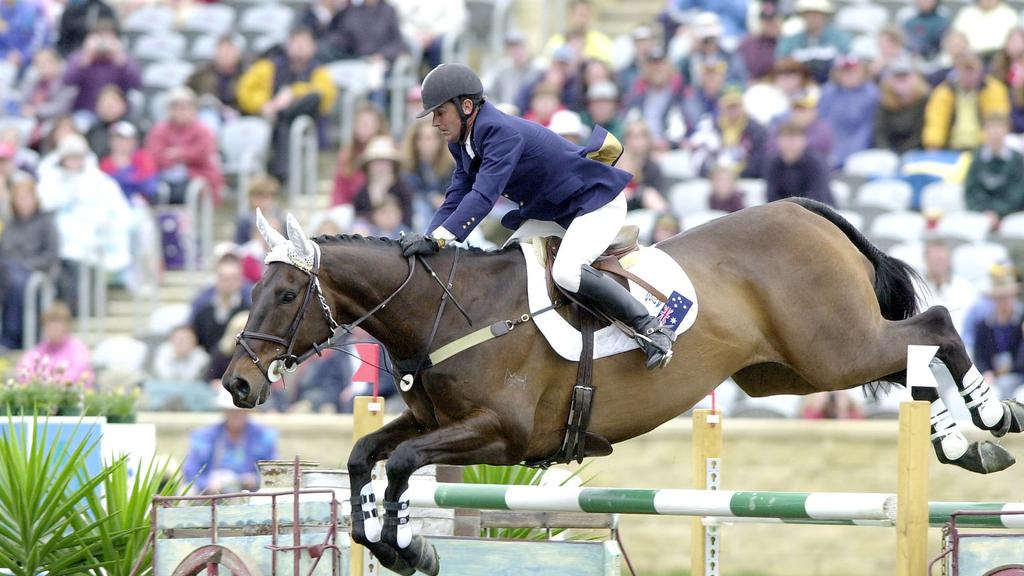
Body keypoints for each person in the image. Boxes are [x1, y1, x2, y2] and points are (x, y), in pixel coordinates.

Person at [399, 63, 675, 369]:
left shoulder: (499, 133)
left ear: (466, 107)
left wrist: (438, 240)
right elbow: (457, 196)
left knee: (566, 272)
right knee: (509, 268)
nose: (435, 122)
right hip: (557, 211)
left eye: (439, 112)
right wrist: (428, 236)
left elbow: (482, 197)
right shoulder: (462, 141)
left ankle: (651, 328)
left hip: (596, 203)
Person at [236, 26, 337, 183]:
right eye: (296, 43)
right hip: (272, 121)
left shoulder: (319, 72)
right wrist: (265, 104)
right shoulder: (269, 66)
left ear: (313, 47)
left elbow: (325, 97)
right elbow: (244, 90)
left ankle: (283, 116)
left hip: (308, 120)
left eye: (304, 43)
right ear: (288, 45)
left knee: (312, 98)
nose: (300, 47)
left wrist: (292, 94)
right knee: (284, 124)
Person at [37, 133, 133, 297]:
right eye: (70, 157)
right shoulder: (50, 180)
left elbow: (118, 209)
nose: (74, 162)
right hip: (65, 240)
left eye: (78, 157)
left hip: (98, 235)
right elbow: (45, 206)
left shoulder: (100, 181)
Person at [0, 172, 58, 348]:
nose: (23, 202)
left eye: (27, 197)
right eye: (19, 198)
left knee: (17, 282)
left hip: (36, 273)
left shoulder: (46, 222)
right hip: (8, 270)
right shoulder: (10, 224)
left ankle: (13, 336)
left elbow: (50, 256)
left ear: (35, 198)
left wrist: (25, 265)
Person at [182, 389, 278, 494]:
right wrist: (207, 483)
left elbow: (273, 474)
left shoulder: (264, 436)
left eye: (241, 410)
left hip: (249, 493)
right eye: (232, 410)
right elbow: (190, 471)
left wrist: (254, 480)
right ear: (225, 411)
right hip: (210, 493)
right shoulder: (204, 436)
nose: (236, 414)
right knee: (187, 491)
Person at [145, 87, 223, 203]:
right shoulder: (159, 130)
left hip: (197, 175)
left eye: (185, 108)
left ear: (193, 109)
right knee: (153, 190)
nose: (180, 112)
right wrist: (179, 158)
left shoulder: (203, 130)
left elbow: (203, 153)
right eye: (176, 108)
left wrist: (179, 154)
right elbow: (155, 154)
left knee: (189, 190)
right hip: (164, 176)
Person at [924, 52, 1012, 151]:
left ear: (980, 70)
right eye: (964, 70)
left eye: (972, 70)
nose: (969, 75)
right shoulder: (943, 92)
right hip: (951, 149)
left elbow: (998, 121)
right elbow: (936, 123)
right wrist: (933, 145)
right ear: (956, 70)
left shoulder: (993, 90)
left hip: (982, 148)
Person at [62, 20, 141, 117]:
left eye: (108, 38)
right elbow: (67, 81)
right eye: (100, 38)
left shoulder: (123, 58)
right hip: (86, 111)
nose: (103, 43)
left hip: (118, 113)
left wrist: (122, 61)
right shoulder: (81, 57)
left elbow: (136, 83)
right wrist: (86, 58)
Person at [971, 262, 1024, 398]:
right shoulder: (984, 324)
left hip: (1019, 376)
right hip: (993, 377)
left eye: (1007, 296)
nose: (1004, 301)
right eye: (1000, 297)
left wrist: (1005, 371)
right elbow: (979, 354)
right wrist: (987, 371)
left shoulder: (1021, 319)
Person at [817, 54, 879, 170]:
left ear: (862, 72)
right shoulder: (827, 93)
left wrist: (849, 155)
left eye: (852, 71)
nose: (848, 75)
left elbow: (867, 129)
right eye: (843, 71)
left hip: (861, 153)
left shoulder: (872, 94)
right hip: (830, 151)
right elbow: (822, 125)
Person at [964, 113, 1024, 227]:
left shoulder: (1016, 159)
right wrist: (985, 212)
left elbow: (1018, 193)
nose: (995, 133)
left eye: (999, 128)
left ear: (1007, 131)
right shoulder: (976, 158)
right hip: (981, 216)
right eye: (991, 128)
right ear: (984, 132)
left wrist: (998, 213)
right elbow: (971, 191)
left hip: (1011, 216)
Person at [623, 47, 686, 150]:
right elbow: (628, 123)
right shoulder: (637, 95)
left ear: (669, 67)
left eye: (661, 64)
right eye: (652, 64)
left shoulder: (681, 93)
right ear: (645, 68)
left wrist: (670, 144)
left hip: (672, 149)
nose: (657, 69)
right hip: (641, 149)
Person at [190, 253, 252, 357]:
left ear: (241, 280)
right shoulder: (203, 311)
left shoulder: (249, 311)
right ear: (217, 279)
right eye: (225, 278)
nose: (229, 283)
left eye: (234, 278)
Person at [16, 301, 92, 386]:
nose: (53, 328)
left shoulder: (78, 349)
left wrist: (47, 382)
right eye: (49, 324)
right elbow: (23, 370)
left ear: (67, 325)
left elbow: (73, 377)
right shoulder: (39, 350)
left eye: (57, 323)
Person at [775, 0, 850, 84]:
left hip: (833, 85)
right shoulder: (791, 40)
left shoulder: (839, 38)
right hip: (800, 86)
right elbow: (781, 64)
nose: (813, 19)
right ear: (802, 16)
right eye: (809, 15)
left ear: (825, 16)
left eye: (817, 14)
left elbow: (847, 62)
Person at [332, 102, 389, 206]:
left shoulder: (389, 152)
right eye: (360, 123)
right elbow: (339, 191)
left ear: (379, 125)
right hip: (351, 207)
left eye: (368, 123)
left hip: (383, 206)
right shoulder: (347, 155)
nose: (363, 127)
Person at [765, 118, 834, 205]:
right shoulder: (773, 163)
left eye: (795, 138)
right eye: (786, 137)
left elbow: (817, 197)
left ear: (804, 140)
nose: (791, 143)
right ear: (778, 140)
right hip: (783, 211)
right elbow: (771, 197)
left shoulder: (815, 163)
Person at [353, 136, 415, 229]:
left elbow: (408, 220)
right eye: (376, 162)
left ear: (393, 165)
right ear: (368, 166)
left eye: (385, 162)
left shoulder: (403, 189)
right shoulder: (362, 193)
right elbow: (359, 218)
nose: (381, 166)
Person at [919, 235, 975, 335]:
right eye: (935, 259)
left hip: (957, 345)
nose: (939, 261)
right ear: (925, 259)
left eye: (942, 258)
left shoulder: (965, 288)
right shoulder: (914, 288)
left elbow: (968, 326)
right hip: (922, 345)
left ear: (950, 260)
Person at [401, 119, 454, 225]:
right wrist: (432, 197)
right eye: (421, 139)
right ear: (415, 142)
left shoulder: (451, 166)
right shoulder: (409, 167)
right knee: (420, 206)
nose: (426, 143)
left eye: (431, 138)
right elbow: (411, 192)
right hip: (418, 215)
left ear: (440, 141)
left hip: (446, 212)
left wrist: (445, 200)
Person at [874, 57, 929, 153]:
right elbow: (880, 132)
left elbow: (920, 133)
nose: (901, 80)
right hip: (889, 153)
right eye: (897, 77)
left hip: (917, 151)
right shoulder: (884, 101)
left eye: (905, 76)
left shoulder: (924, 100)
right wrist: (886, 152)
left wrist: (902, 153)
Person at [711, 86, 768, 178]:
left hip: (747, 177)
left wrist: (737, 173)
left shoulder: (757, 130)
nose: (733, 110)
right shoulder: (713, 128)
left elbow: (759, 160)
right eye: (729, 106)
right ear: (721, 107)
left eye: (736, 106)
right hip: (718, 177)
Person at [391, 0, 466, 70]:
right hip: (411, 37)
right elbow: (398, 18)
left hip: (441, 35)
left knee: (438, 48)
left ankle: (439, 80)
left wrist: (433, 32)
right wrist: (414, 33)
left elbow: (456, 17)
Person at [186, 34, 245, 121]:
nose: (225, 54)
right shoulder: (202, 72)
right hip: (208, 111)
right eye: (222, 50)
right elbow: (186, 91)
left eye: (229, 50)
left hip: (237, 114)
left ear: (237, 53)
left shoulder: (247, 74)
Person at [678, 12, 746, 87]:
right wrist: (691, 51)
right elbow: (681, 76)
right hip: (699, 96)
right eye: (706, 40)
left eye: (712, 39)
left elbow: (739, 79)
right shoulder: (693, 57)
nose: (709, 43)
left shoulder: (729, 56)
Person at [616, 119, 667, 213]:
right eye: (632, 137)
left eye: (640, 137)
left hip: (646, 207)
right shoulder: (619, 161)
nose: (636, 142)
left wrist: (638, 193)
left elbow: (657, 196)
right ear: (626, 140)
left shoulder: (653, 167)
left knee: (650, 195)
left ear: (648, 139)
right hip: (622, 206)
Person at [100, 121, 158, 202]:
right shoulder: (105, 163)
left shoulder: (143, 157)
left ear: (134, 142)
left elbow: (149, 187)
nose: (121, 143)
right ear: (110, 141)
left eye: (126, 140)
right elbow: (103, 188)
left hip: (139, 203)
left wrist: (121, 178)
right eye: (117, 139)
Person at [542, 0, 613, 66]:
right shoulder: (557, 41)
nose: (583, 20)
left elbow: (609, 64)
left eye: (586, 15)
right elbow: (546, 64)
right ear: (570, 16)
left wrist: (588, 60)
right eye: (580, 15)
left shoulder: (601, 41)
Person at [482, 31, 533, 107]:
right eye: (510, 47)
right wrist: (496, 106)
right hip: (505, 113)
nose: (515, 50)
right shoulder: (501, 68)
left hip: (527, 114)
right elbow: (485, 88)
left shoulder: (535, 68)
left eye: (517, 46)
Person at [951, 0, 1018, 58]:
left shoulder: (1010, 15)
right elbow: (955, 38)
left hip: (999, 60)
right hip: (970, 59)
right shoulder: (966, 13)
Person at [989, 28, 1024, 133]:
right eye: (1012, 41)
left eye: (1018, 40)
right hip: (1005, 113)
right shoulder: (998, 68)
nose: (1015, 45)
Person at [739, 2, 783, 81]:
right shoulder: (750, 43)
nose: (770, 24)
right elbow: (755, 69)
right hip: (761, 84)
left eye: (773, 20)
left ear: (780, 20)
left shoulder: (788, 40)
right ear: (761, 23)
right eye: (766, 21)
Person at [0, 0, 48, 71]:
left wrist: (23, 56)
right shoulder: (2, 9)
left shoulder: (33, 8)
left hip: (31, 61)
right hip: (5, 60)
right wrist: (5, 55)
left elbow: (40, 39)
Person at [84, 84, 128, 158]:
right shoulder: (92, 131)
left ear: (123, 105)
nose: (107, 106)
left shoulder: (133, 130)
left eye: (112, 104)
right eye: (103, 102)